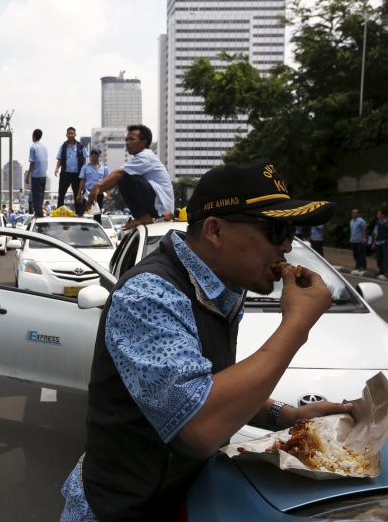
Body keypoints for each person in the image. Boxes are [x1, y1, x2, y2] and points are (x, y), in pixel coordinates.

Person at [60, 160, 352, 521]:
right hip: (122, 509)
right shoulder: (148, 296)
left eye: (291, 230)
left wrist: (286, 415)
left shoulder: (224, 288)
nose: (288, 247)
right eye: (276, 230)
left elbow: (206, 383)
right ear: (215, 230)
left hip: (187, 500)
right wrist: (296, 326)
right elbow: (199, 424)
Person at [86, 124, 174, 231]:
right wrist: (97, 191)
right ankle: (141, 216)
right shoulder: (142, 157)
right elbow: (116, 179)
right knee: (123, 178)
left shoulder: (145, 157)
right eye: (126, 139)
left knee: (126, 177)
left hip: (161, 209)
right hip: (157, 207)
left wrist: (98, 186)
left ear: (143, 143)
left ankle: (143, 216)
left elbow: (120, 173)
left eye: (132, 139)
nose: (127, 143)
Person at [54, 127, 87, 214]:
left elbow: (84, 160)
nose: (70, 135)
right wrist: (57, 168)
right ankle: (59, 211)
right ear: (66, 135)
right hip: (65, 173)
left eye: (72, 133)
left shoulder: (80, 146)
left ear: (75, 135)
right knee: (61, 193)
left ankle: (79, 212)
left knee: (77, 194)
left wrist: (84, 171)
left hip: (77, 174)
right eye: (69, 133)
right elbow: (60, 159)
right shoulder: (63, 146)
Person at [77, 147, 109, 224]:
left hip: (99, 193)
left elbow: (107, 182)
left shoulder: (104, 168)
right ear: (90, 155)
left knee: (97, 214)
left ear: (99, 155)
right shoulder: (85, 167)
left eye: (96, 153)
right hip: (88, 191)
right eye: (92, 153)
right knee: (82, 212)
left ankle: (97, 230)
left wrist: (108, 194)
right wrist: (78, 193)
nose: (94, 155)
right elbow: (82, 181)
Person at [25, 129, 49, 218]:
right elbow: (46, 161)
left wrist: (27, 175)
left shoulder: (33, 147)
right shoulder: (44, 147)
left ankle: (38, 213)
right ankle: (40, 212)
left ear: (34, 135)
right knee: (41, 195)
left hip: (36, 175)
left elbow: (32, 162)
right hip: (43, 174)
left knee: (36, 195)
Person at [371, 209, 388, 277]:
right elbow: (376, 233)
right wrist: (374, 242)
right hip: (378, 241)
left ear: (383, 215)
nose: (377, 215)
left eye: (379, 214)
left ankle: (387, 272)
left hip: (385, 241)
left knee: (386, 257)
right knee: (378, 257)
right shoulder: (378, 222)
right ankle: (381, 270)